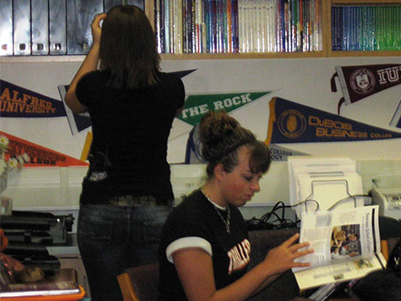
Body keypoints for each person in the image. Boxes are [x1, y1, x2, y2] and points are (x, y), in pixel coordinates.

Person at [65, 5, 185, 301]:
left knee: (107, 297)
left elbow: (72, 100)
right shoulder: (171, 86)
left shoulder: (94, 86)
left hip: (102, 205)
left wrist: (96, 44)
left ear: (111, 43)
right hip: (155, 207)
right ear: (149, 40)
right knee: (152, 295)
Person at [158, 110, 313, 301]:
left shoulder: (231, 213)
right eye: (248, 178)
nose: (256, 187)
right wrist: (267, 267)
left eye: (258, 178)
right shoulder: (189, 223)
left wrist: (277, 266)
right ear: (221, 171)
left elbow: (241, 289)